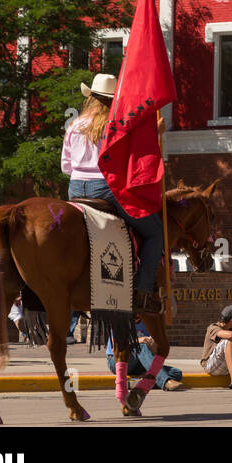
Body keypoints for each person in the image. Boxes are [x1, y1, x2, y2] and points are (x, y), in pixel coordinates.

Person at [62, 74, 164, 315]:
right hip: (105, 189)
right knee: (154, 233)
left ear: (90, 99)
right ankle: (142, 292)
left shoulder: (74, 125)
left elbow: (65, 166)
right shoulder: (117, 125)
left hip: (75, 189)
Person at [106, 320, 184, 390]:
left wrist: (153, 345)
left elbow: (152, 354)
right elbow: (116, 345)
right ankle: (165, 381)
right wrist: (139, 340)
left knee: (176, 373)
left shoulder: (147, 323)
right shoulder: (122, 319)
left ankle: (135, 383)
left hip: (139, 363)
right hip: (117, 360)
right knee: (141, 346)